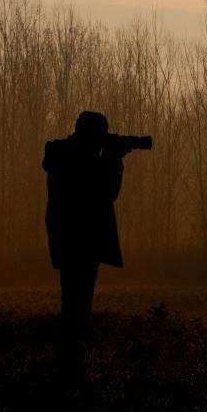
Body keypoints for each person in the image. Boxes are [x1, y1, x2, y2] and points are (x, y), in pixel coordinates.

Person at [42, 110, 125, 386]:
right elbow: (105, 192)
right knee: (77, 305)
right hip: (82, 239)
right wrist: (113, 160)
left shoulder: (61, 155)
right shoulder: (75, 159)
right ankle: (69, 365)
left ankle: (68, 362)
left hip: (68, 238)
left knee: (73, 301)